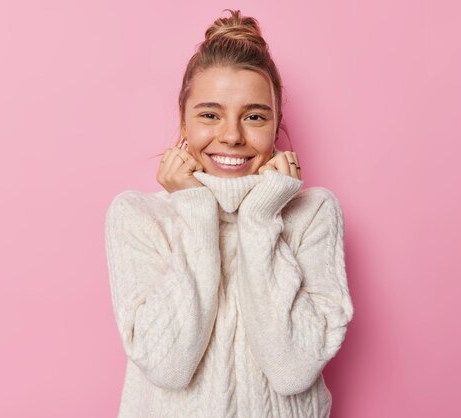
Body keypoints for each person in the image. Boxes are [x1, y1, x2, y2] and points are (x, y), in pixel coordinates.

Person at [104, 9, 354, 418]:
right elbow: (168, 366)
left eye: (254, 116)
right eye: (209, 114)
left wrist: (259, 219)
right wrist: (198, 212)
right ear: (183, 121)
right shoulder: (138, 216)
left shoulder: (314, 213)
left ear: (276, 127)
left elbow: (292, 370)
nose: (233, 135)